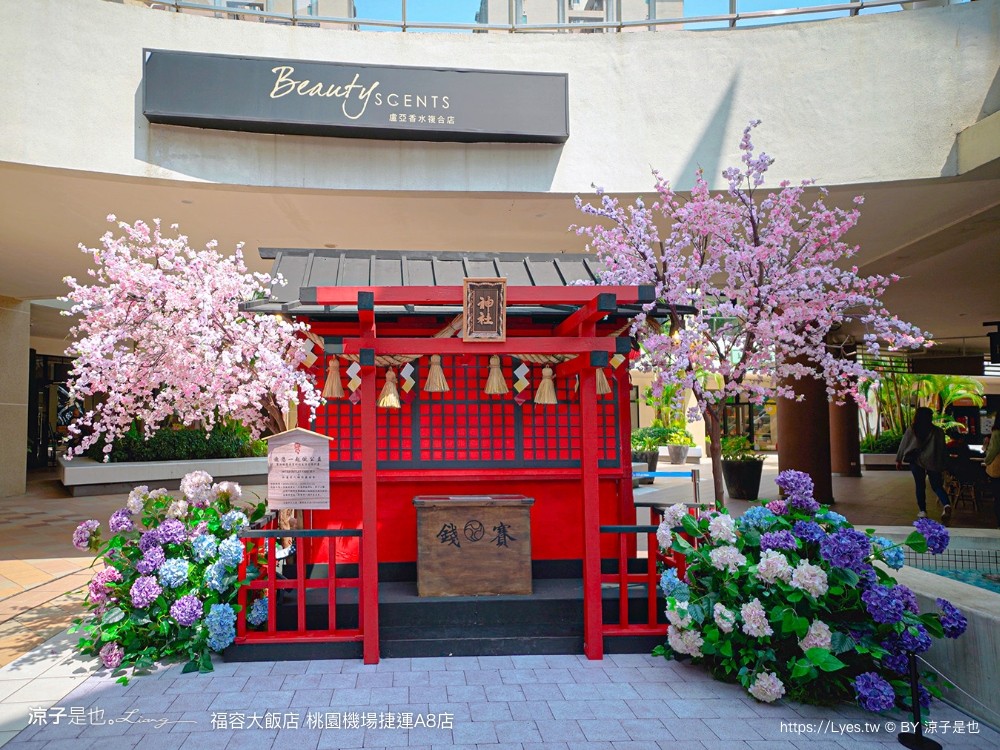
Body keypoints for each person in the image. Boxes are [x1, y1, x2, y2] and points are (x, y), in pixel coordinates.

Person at [896, 407, 952, 524]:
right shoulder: (938, 432)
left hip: (916, 461)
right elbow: (943, 449)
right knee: (937, 486)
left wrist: (899, 459)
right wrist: (945, 463)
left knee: (920, 485)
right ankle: (946, 505)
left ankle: (922, 511)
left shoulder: (913, 430)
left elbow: (904, 444)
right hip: (933, 461)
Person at [984, 422, 1000, 529]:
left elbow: (993, 450)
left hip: (997, 469)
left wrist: (986, 460)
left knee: (998, 497)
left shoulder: (996, 433)